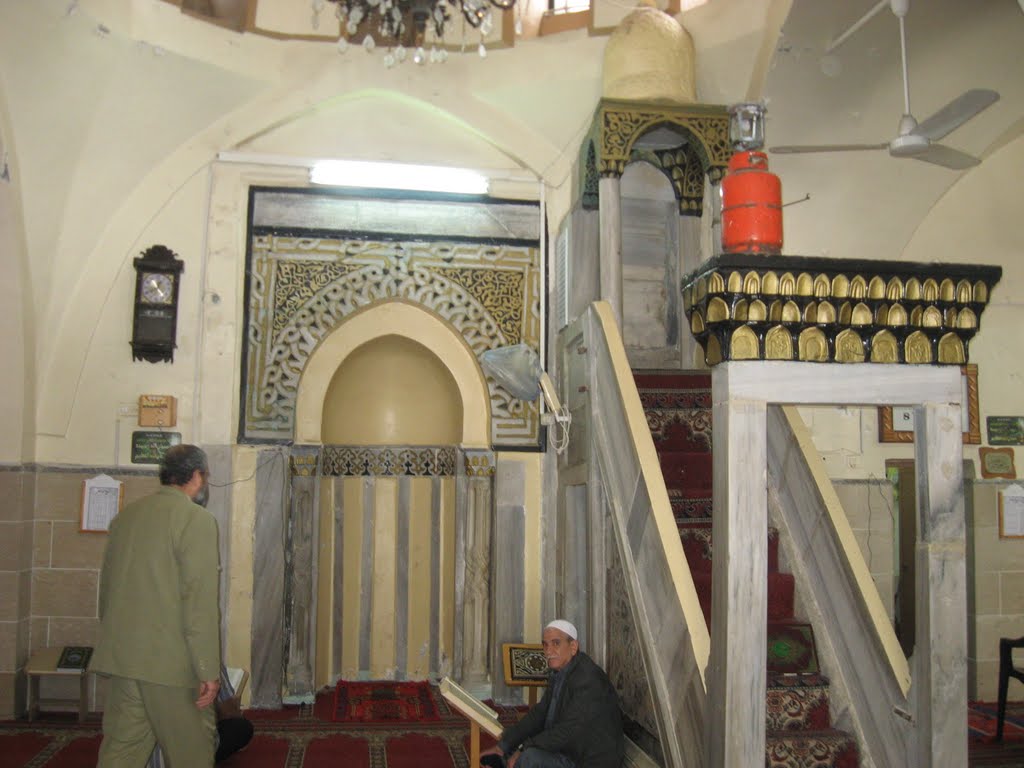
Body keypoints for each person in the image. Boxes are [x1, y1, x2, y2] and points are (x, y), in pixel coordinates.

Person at [91, 444, 222, 767]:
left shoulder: (125, 518)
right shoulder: (196, 520)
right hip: (170, 667)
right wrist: (207, 669)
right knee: (192, 753)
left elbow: (106, 592)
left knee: (121, 753)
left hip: (124, 659)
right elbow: (199, 603)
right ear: (196, 476)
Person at [481, 619, 624, 768]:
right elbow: (539, 714)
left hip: (587, 760)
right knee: (510, 753)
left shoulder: (588, 680)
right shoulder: (561, 671)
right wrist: (503, 746)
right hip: (570, 750)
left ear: (573, 646)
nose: (548, 651)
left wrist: (523, 749)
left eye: (556, 643)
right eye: (545, 645)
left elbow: (566, 731)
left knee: (529, 757)